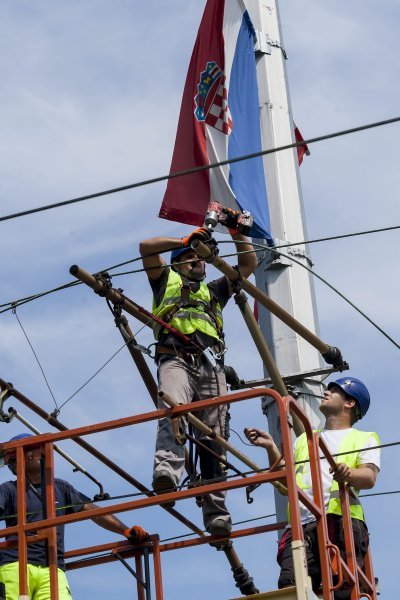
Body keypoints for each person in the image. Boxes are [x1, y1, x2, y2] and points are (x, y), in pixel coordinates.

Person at [140, 225, 257, 537]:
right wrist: (184, 241)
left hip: (210, 365)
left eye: (200, 257)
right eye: (189, 257)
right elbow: (146, 246)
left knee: (215, 439)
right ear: (177, 263)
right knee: (173, 408)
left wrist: (237, 232)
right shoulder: (165, 280)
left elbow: (248, 265)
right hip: (175, 358)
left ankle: (217, 514)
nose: (196, 261)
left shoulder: (214, 291)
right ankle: (166, 470)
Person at [245, 377, 380, 599]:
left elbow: (369, 476)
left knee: (342, 589)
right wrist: (270, 447)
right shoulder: (304, 440)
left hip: (339, 521)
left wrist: (349, 474)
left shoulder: (364, 438)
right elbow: (285, 484)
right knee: (291, 588)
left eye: (334, 390)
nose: (326, 392)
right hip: (300, 525)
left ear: (350, 403)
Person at [0, 433, 150, 600]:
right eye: (37, 450)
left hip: (52, 568)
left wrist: (125, 530)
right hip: (15, 565)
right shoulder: (8, 490)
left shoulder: (60, 487)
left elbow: (94, 512)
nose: (41, 454)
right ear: (25, 456)